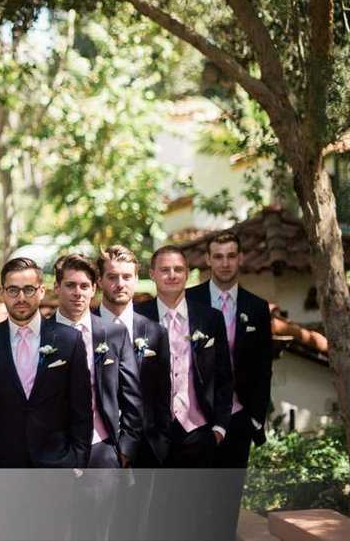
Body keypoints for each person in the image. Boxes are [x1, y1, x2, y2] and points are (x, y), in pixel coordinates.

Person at [0, 257, 90, 541]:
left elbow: (81, 408)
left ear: (42, 291)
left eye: (29, 289)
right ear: (2, 293)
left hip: (56, 472)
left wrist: (77, 463)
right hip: (1, 473)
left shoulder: (68, 340)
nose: (21, 297)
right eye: (13, 290)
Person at [134, 245, 234, 541]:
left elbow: (224, 376)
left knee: (195, 516)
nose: (172, 275)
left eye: (178, 269)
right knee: (151, 516)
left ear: (187, 274)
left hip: (197, 430)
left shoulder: (210, 318)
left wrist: (219, 427)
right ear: (151, 274)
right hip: (151, 433)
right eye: (164, 269)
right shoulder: (136, 318)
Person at [185, 232, 273, 535]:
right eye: (218, 256)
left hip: (238, 418)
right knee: (191, 501)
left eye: (231, 255)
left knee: (227, 501)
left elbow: (263, 368)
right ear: (208, 259)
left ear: (240, 259)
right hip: (195, 418)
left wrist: (254, 418)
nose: (224, 263)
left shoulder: (257, 308)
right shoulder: (188, 300)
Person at [52, 253, 142, 541]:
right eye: (70, 285)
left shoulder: (113, 334)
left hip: (102, 450)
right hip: (53, 452)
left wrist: (123, 449)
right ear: (56, 287)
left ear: (94, 288)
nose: (77, 292)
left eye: (84, 285)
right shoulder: (41, 334)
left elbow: (132, 395)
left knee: (98, 534)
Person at [96, 245, 172, 541]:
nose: (120, 283)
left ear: (137, 278)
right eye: (112, 276)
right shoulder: (83, 328)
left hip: (147, 450)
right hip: (97, 449)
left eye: (127, 276)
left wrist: (161, 443)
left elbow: (162, 395)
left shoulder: (154, 332)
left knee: (138, 529)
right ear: (100, 280)